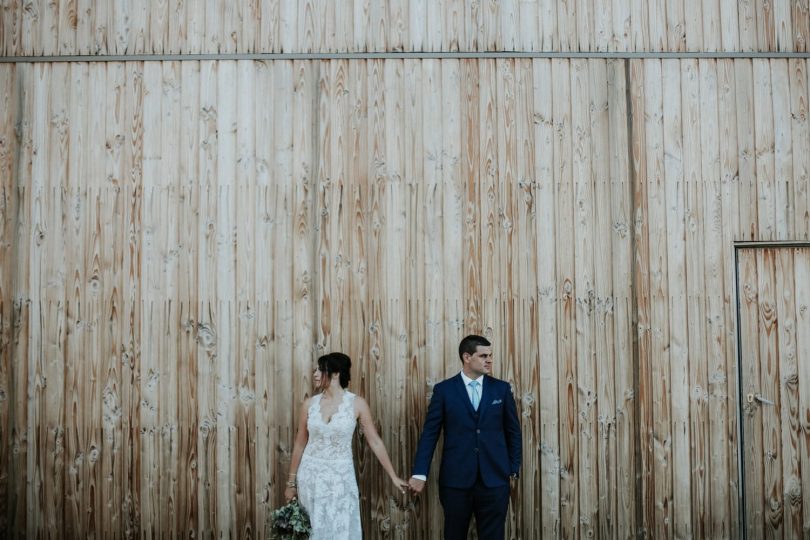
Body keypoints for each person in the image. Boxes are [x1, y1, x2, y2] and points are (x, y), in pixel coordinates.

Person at [284, 352, 409, 539]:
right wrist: (291, 483)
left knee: (340, 529)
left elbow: (374, 441)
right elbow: (300, 443)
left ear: (335, 374)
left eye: (320, 369)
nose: (315, 374)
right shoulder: (309, 404)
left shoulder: (357, 404)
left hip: (340, 480)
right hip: (310, 478)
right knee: (312, 529)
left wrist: (393, 476)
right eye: (315, 370)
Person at [409, 335, 522, 540]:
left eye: (490, 355)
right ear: (467, 357)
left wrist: (513, 468)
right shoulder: (444, 390)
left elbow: (513, 431)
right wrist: (419, 473)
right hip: (455, 481)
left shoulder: (501, 389)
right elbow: (430, 434)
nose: (489, 360)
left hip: (495, 480)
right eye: (483, 355)